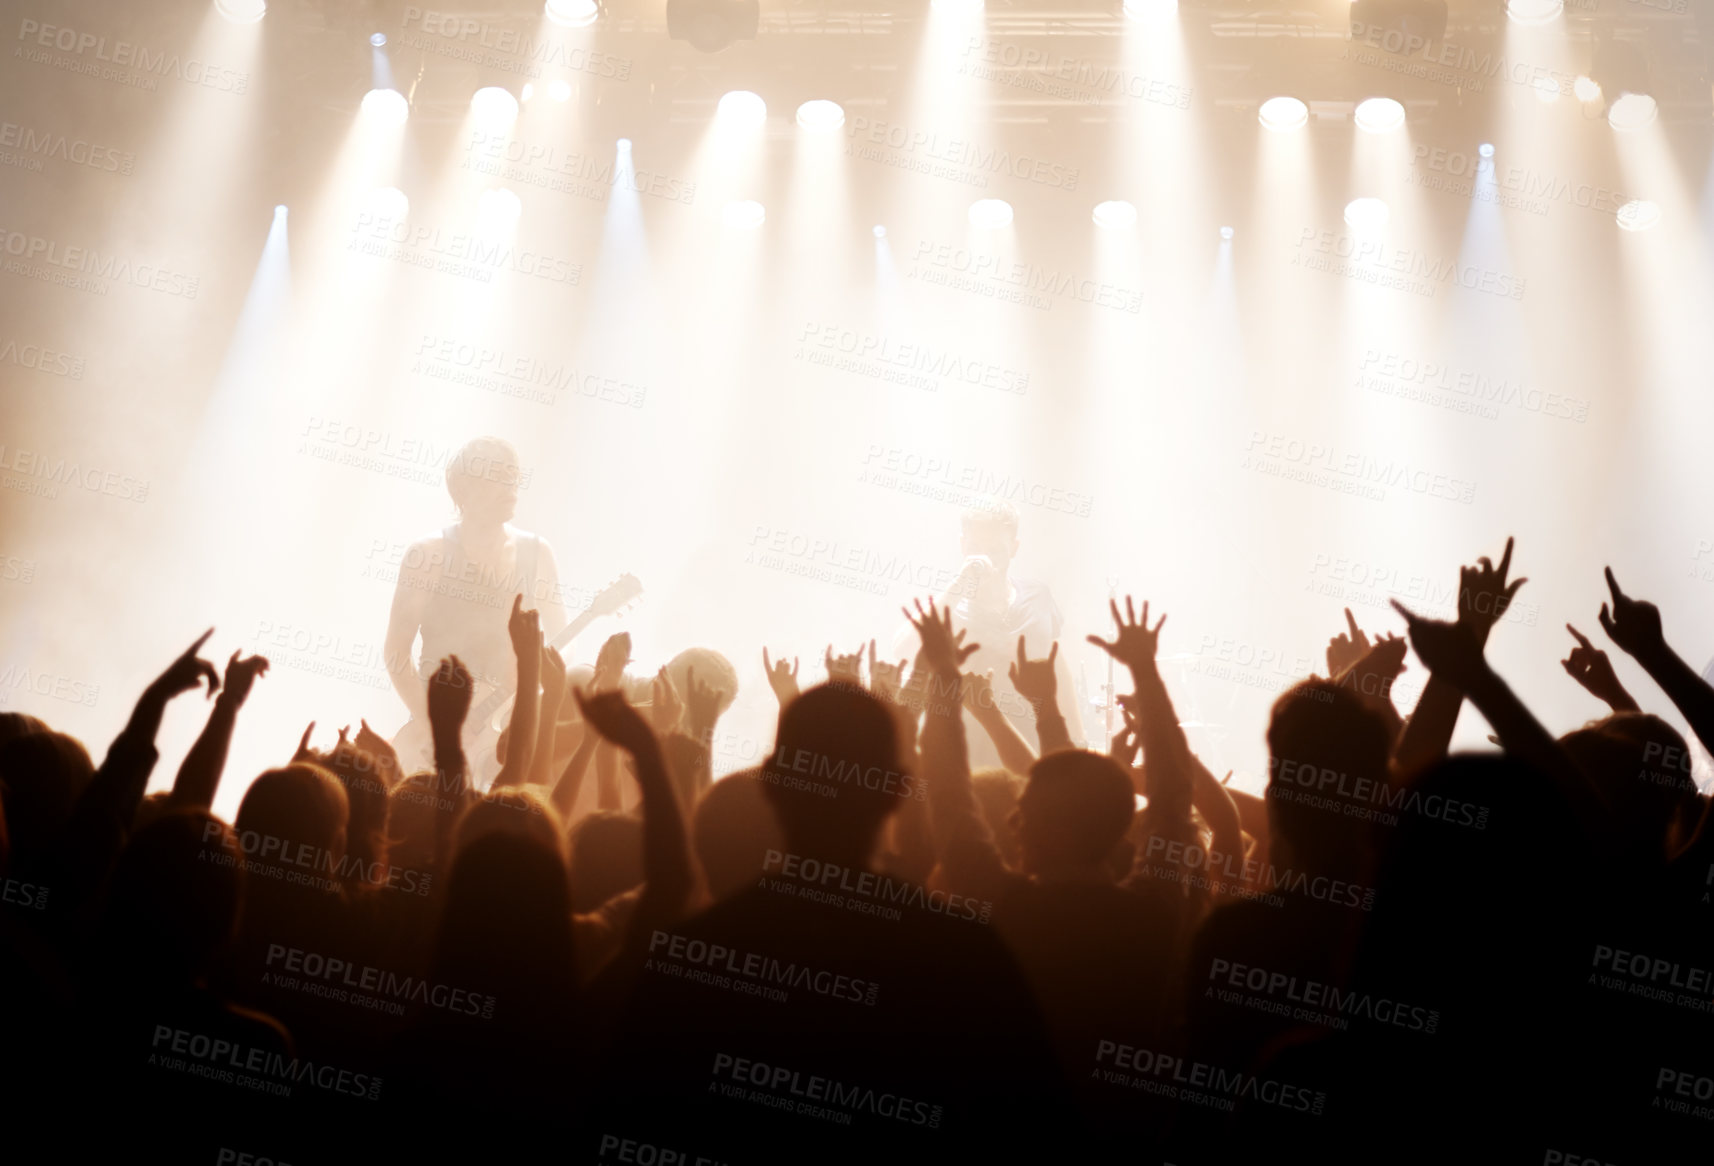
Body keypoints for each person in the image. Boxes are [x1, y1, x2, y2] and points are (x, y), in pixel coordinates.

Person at [384, 436, 566, 780]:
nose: (511, 486)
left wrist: (534, 671)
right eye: (498, 476)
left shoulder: (537, 554)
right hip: (433, 733)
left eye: (513, 476)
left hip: (509, 733)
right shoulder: (428, 555)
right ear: (464, 489)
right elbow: (396, 653)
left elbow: (563, 642)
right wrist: (433, 727)